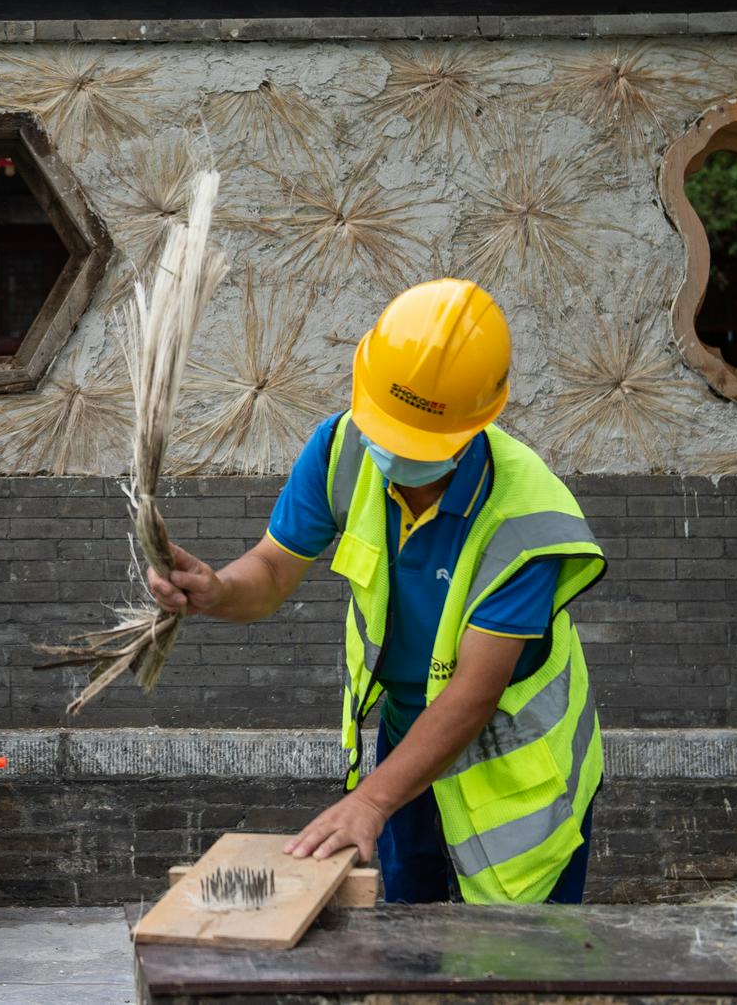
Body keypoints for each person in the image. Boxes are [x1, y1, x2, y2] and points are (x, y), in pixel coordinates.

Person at [147, 279, 606, 905]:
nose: (386, 450)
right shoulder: (342, 447)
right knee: (410, 948)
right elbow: (275, 572)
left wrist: (370, 799)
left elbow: (474, 694)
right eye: (383, 428)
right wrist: (218, 589)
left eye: (412, 440)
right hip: (405, 739)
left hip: (515, 767)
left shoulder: (526, 517)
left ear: (475, 425)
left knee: (518, 961)